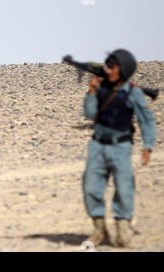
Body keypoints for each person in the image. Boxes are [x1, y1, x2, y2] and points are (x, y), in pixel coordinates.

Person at [82, 49, 156, 247]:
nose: (107, 70)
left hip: (120, 147)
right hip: (98, 144)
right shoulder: (101, 88)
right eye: (106, 66)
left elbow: (146, 120)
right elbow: (90, 114)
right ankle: (99, 229)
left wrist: (148, 146)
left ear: (122, 70)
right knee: (90, 186)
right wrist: (91, 92)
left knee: (124, 188)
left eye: (112, 67)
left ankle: (123, 230)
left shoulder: (133, 93)